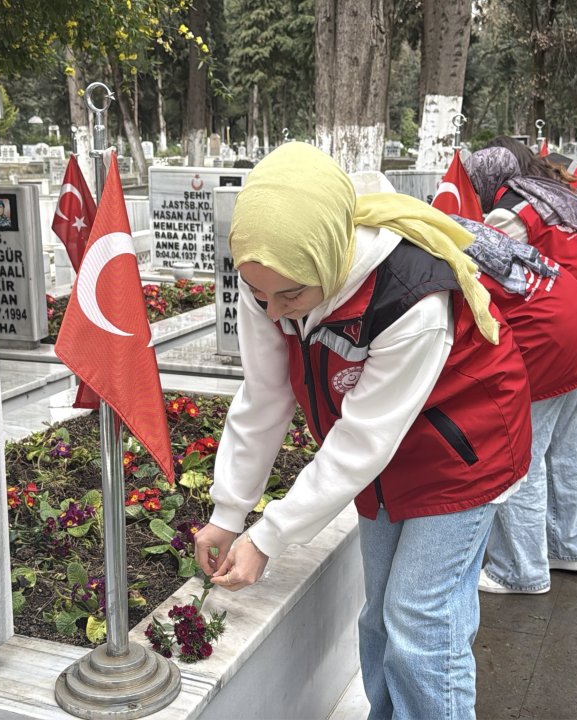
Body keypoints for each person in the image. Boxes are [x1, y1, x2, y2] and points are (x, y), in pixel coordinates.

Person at [194, 142, 532, 719]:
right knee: (380, 614)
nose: (275, 313)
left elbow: (360, 442)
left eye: (291, 297)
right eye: (259, 296)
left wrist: (267, 536)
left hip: (463, 451)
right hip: (387, 456)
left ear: (327, 257)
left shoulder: (410, 297)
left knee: (422, 620)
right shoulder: (273, 271)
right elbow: (266, 394)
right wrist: (228, 513)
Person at [450, 215, 577, 594]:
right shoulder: (459, 227)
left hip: (544, 342)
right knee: (569, 446)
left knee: (516, 457)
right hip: (576, 319)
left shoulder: (422, 250)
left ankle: (519, 570)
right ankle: (571, 548)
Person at [466, 143, 577, 440]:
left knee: (535, 439)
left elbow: (495, 271)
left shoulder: (506, 213)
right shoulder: (539, 190)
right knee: (576, 427)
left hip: (567, 306)